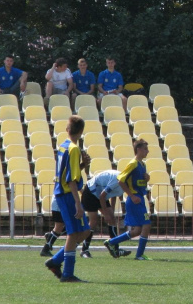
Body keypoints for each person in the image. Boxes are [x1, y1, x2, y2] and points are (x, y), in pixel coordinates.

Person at [44, 115, 91, 283]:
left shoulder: (63, 146)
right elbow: (70, 180)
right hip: (67, 195)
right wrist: (78, 203)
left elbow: (68, 173)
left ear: (67, 129)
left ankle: (55, 261)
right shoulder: (73, 149)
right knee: (73, 233)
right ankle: (68, 273)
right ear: (81, 131)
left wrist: (83, 166)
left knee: (84, 231)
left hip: (63, 193)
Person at [103, 139, 152, 261]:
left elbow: (139, 182)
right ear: (139, 149)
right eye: (145, 149)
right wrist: (131, 195)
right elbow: (120, 180)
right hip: (135, 199)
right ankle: (139, 255)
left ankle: (111, 242)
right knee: (147, 224)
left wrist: (147, 178)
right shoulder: (133, 163)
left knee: (137, 231)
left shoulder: (142, 165)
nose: (148, 151)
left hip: (139, 198)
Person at [79, 169, 132, 258]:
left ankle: (115, 249)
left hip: (100, 195)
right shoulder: (118, 180)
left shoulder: (126, 182)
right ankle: (84, 250)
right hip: (90, 193)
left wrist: (111, 211)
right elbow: (102, 196)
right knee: (93, 221)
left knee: (113, 220)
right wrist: (106, 215)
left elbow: (114, 195)